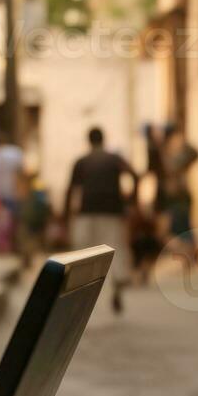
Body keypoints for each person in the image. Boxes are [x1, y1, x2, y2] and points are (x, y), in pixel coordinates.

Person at [63, 126, 138, 313]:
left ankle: (80, 293)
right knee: (115, 249)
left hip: (87, 211)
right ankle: (118, 287)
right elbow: (135, 176)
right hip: (113, 211)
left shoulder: (81, 162)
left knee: (84, 253)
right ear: (103, 140)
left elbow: (70, 190)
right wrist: (131, 201)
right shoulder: (114, 159)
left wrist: (64, 218)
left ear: (88, 141)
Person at [0, 133, 26, 255]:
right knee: (13, 220)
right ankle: (11, 246)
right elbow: (20, 173)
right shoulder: (14, 153)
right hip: (11, 192)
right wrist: (22, 191)